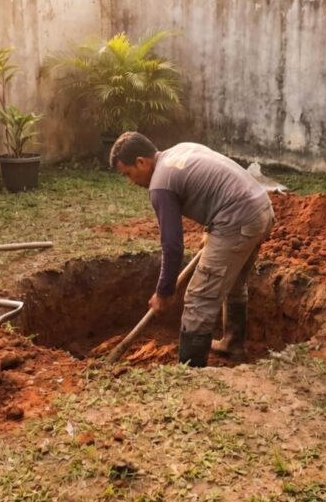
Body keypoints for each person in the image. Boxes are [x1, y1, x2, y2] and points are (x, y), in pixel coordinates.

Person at [109, 132, 274, 367]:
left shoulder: (160, 185)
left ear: (141, 162)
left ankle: (190, 370)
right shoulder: (182, 148)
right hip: (261, 208)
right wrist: (211, 229)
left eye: (129, 173)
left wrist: (164, 293)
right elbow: (215, 184)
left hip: (237, 219)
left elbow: (173, 246)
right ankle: (232, 344)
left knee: (199, 298)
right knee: (234, 283)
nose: (131, 181)